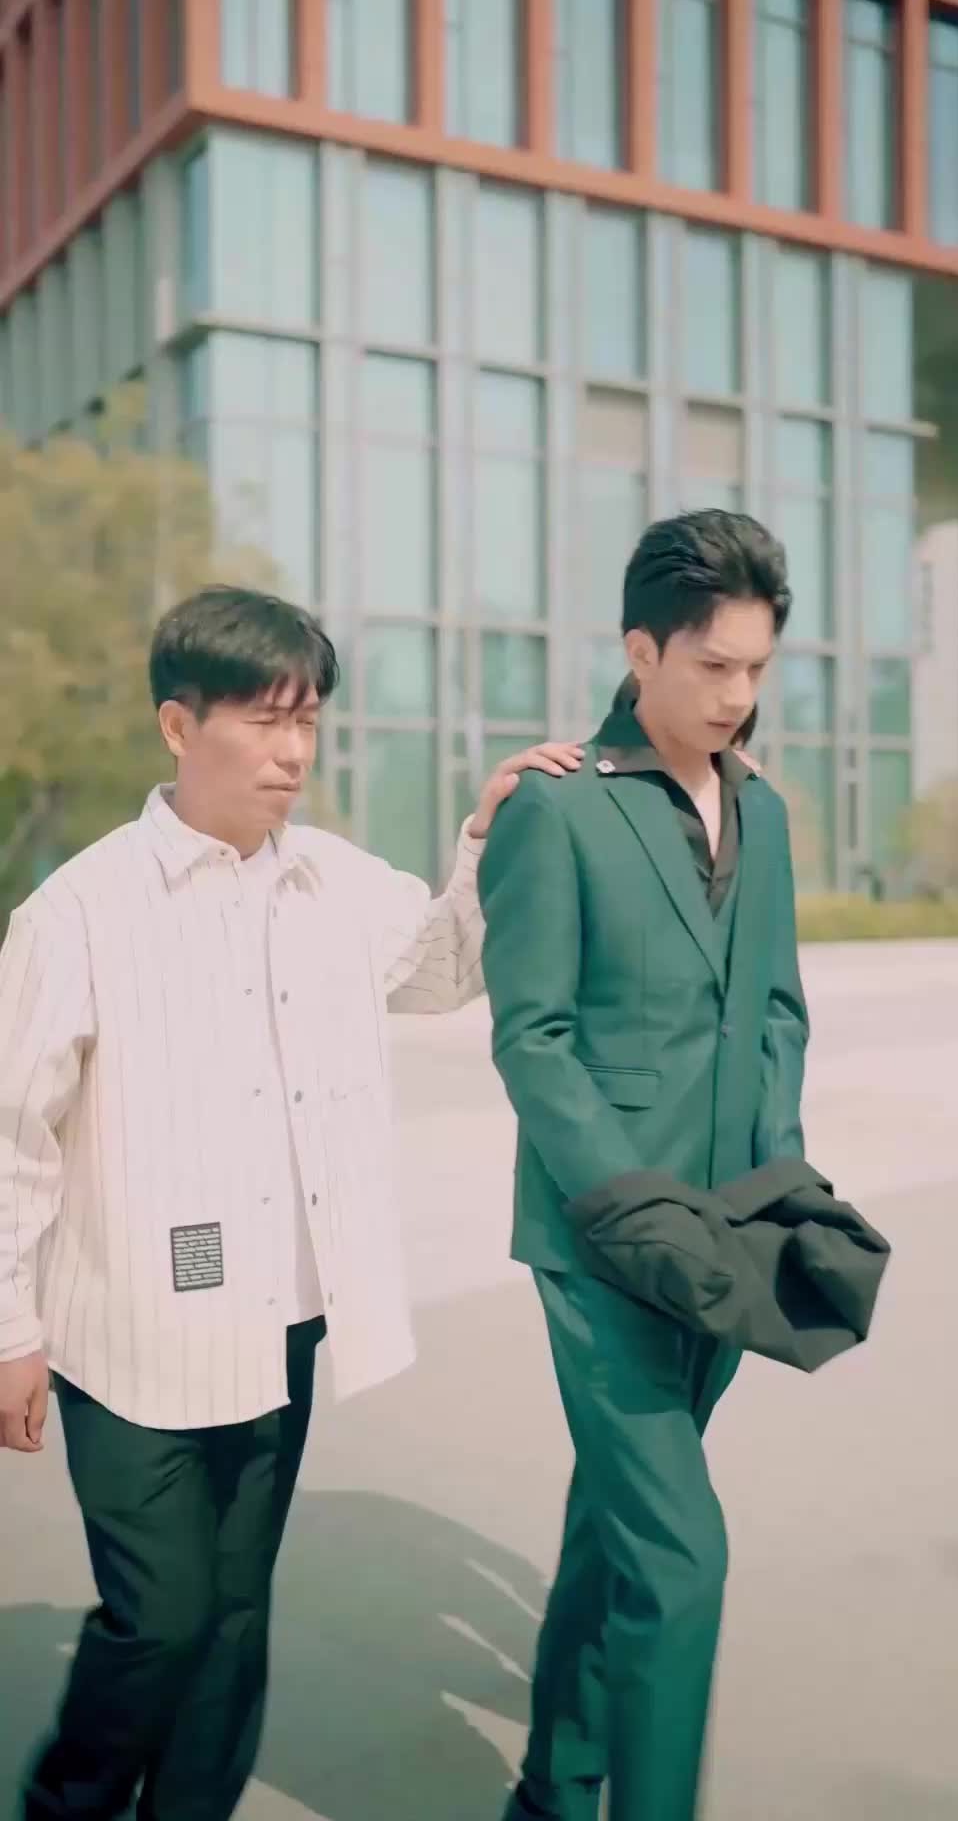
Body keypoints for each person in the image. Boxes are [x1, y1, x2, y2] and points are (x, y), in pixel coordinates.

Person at [0, 584, 582, 1821]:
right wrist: (8, 1330)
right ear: (177, 725)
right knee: (160, 1616)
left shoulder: (334, 882)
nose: (292, 752)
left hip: (281, 1320)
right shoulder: (78, 914)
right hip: (130, 1327)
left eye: (306, 720)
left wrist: (488, 835)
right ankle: (69, 1805)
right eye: (265, 721)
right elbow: (13, 1139)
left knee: (234, 1613)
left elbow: (443, 970)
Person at [478, 510, 809, 1821]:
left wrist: (782, 1185)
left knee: (612, 1530)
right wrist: (630, 1206)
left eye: (758, 668)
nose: (738, 694)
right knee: (680, 1561)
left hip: (730, 1243)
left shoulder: (765, 812)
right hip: (602, 1241)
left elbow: (774, 1011)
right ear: (640, 650)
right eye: (715, 665)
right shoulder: (556, 809)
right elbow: (533, 1037)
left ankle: (553, 1793)